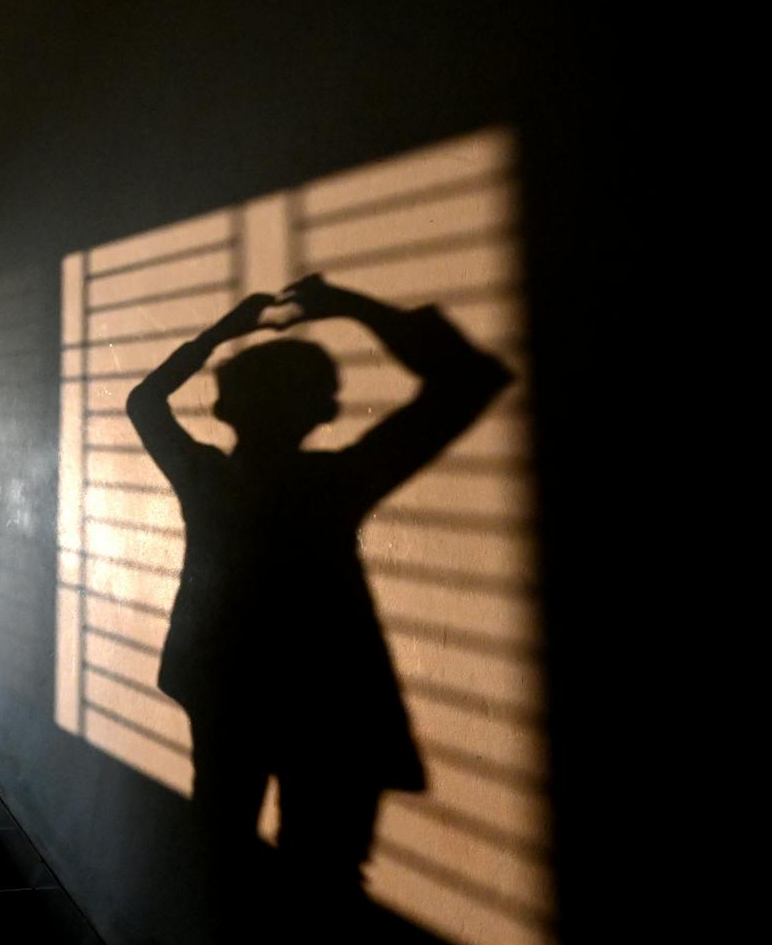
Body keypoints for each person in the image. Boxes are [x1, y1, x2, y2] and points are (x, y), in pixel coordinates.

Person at [126, 274, 513, 887]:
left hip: (225, 685)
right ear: (326, 410)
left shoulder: (207, 480)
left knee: (219, 855)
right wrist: (347, 304)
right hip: (330, 698)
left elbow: (144, 401)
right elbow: (468, 379)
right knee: (321, 877)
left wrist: (226, 330)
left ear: (224, 409)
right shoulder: (337, 483)